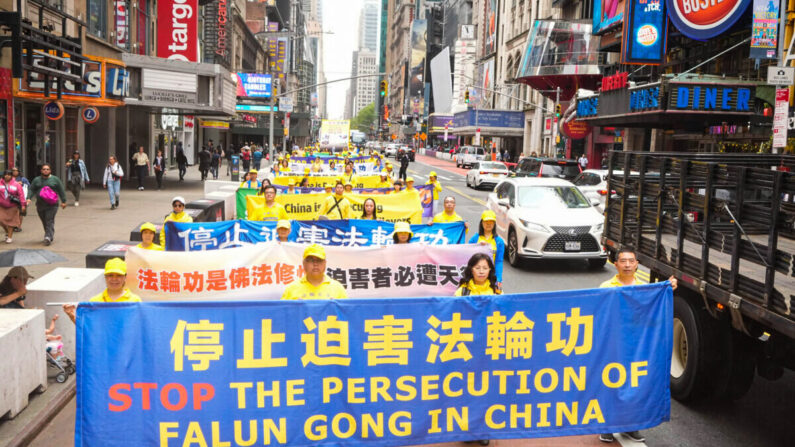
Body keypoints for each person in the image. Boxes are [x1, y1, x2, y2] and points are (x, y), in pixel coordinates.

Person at [598, 247, 677, 444]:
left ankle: (632, 426)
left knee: (636, 385)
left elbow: (653, 312)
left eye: (630, 261)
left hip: (637, 346)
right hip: (613, 345)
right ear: (615, 264)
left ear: (636, 265)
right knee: (612, 384)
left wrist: (667, 288)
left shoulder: (645, 289)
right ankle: (608, 426)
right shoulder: (605, 287)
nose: (626, 265)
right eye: (622, 261)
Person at [62, 258, 142, 323]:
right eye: (110, 275)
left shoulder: (135, 301)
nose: (114, 279)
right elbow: (88, 328)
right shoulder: (95, 301)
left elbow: (141, 327)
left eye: (119, 275)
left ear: (125, 277)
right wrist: (72, 316)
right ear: (105, 277)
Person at [281, 244, 348, 300]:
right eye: (311, 260)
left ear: (325, 263)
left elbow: (346, 313)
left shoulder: (337, 288)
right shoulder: (291, 289)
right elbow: (281, 313)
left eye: (319, 260)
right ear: (304, 263)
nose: (315, 264)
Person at [28, 163, 67, 246]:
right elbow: (31, 189)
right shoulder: (36, 180)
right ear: (41, 170)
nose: (45, 171)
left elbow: (61, 190)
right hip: (40, 204)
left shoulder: (55, 179)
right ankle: (49, 234)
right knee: (44, 220)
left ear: (50, 170)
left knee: (49, 220)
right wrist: (28, 198)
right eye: (44, 169)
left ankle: (47, 237)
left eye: (47, 169)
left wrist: (64, 201)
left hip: (52, 205)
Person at [468, 210, 505, 289]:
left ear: (494, 224)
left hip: (491, 277)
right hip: (476, 276)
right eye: (486, 221)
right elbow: (467, 254)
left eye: (491, 221)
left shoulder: (499, 242)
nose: (488, 223)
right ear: (482, 223)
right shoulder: (475, 238)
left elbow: (499, 261)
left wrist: (498, 279)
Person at [0, 170, 26, 243]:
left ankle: (9, 237)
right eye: (5, 174)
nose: (7, 176)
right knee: (1, 220)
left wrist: (23, 205)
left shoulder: (16, 184)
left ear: (11, 176)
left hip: (12, 206)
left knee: (11, 222)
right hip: (1, 205)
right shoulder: (0, 183)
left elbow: (21, 195)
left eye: (8, 174)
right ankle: (7, 231)